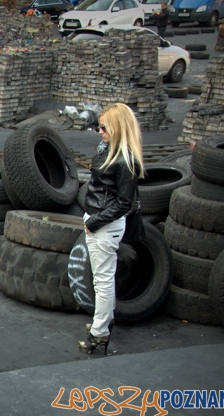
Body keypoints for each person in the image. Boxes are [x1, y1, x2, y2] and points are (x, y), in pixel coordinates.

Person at [79, 103, 145, 355]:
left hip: (104, 225)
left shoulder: (125, 160)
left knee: (103, 281)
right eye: (99, 125)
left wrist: (94, 222)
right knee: (102, 279)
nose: (99, 130)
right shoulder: (108, 149)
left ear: (117, 128)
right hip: (98, 219)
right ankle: (103, 322)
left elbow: (123, 203)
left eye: (104, 126)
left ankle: (99, 333)